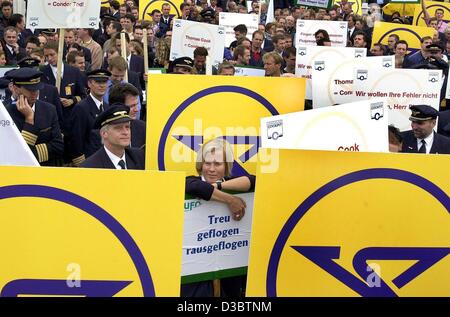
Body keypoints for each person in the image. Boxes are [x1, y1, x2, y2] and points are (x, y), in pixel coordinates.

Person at [182, 138, 255, 297]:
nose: (211, 169)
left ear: (226, 166)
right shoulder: (190, 181)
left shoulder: (231, 184)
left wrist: (219, 186)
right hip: (196, 279)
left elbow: (253, 180)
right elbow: (197, 187)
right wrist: (231, 200)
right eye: (207, 163)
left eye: (218, 164)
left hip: (228, 274)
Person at [5, 68, 64, 166]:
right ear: (16, 88)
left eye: (37, 88)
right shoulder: (6, 114)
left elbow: (58, 146)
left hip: (46, 168)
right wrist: (29, 119)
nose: (35, 93)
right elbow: (13, 152)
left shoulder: (49, 109)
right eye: (29, 89)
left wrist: (30, 154)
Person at [80, 104, 145, 169]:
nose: (126, 132)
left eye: (127, 127)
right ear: (104, 133)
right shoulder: (90, 167)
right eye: (118, 128)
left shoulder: (139, 157)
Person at [69, 70, 111, 166]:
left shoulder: (107, 107)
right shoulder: (81, 108)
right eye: (98, 82)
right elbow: (76, 140)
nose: (102, 85)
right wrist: (82, 164)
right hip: (90, 162)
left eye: (104, 82)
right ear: (89, 84)